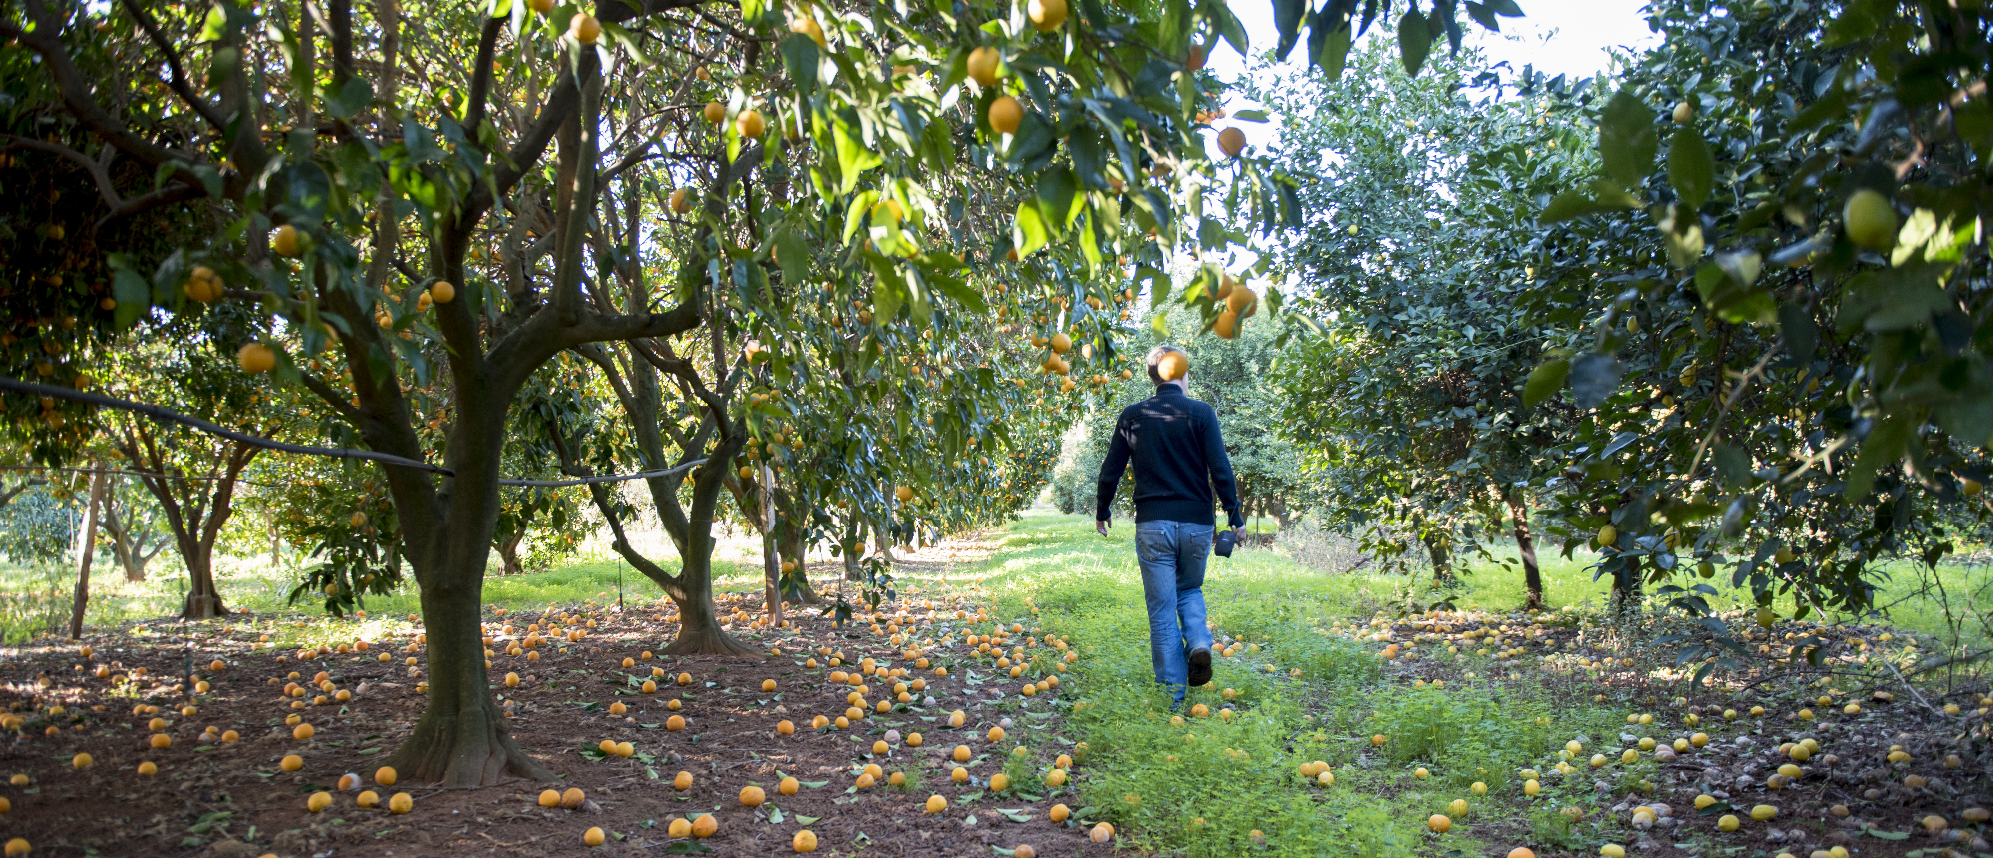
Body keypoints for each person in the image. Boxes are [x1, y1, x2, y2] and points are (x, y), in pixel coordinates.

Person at [1094, 345, 1243, 706]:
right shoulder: (1201, 413)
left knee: (1161, 612)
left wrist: (1102, 509)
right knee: (1190, 588)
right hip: (1196, 525)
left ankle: (1172, 700)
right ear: (1182, 373)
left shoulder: (1134, 416)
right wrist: (1235, 517)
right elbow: (1220, 469)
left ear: (1152, 376)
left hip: (1152, 525)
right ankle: (1199, 642)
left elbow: (1111, 469)